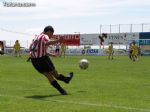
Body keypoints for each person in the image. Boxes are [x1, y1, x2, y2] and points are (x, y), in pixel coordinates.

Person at [29, 25, 74, 95]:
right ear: (49, 31)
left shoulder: (36, 37)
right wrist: (58, 40)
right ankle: (66, 80)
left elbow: (38, 49)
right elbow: (47, 42)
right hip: (42, 58)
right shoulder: (44, 36)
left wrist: (51, 54)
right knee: (55, 73)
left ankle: (62, 90)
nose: (51, 36)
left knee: (48, 75)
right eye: (52, 34)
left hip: (34, 60)